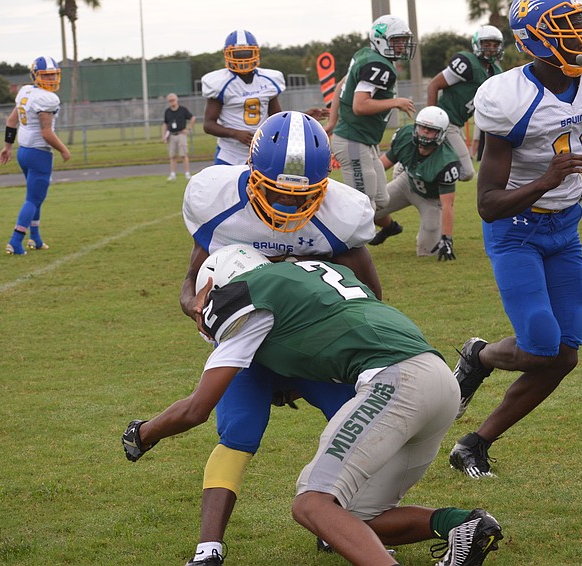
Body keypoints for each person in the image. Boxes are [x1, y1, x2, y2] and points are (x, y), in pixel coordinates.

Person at [123, 244, 504, 566]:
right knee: (349, 517)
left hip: (395, 382)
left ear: (219, 283)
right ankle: (463, 524)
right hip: (436, 377)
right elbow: (322, 337)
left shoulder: (245, 294)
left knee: (311, 505)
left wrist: (144, 433)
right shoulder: (311, 273)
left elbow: (197, 408)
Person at [447, 0, 582, 478]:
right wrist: (543, 180)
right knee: (541, 345)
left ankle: (474, 443)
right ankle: (479, 356)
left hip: (565, 229)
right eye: (568, 28)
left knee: (564, 353)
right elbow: (488, 203)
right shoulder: (508, 97)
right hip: (515, 232)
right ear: (534, 40)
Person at [178, 112, 381, 565]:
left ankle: (340, 519)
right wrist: (194, 306)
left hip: (310, 345)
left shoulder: (340, 215)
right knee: (239, 433)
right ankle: (208, 548)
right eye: (275, 191)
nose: (288, 207)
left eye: (303, 195)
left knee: (355, 421)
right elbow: (190, 282)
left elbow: (368, 293)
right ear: (252, 175)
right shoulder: (219, 201)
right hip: (244, 346)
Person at [332, 15, 416, 210]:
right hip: (353, 139)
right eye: (397, 41)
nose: (402, 46)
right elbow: (359, 106)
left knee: (381, 200)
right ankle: (353, 240)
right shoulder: (377, 65)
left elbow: (339, 85)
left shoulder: (365, 56)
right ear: (380, 39)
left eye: (404, 41)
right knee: (363, 203)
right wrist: (396, 102)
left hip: (365, 141)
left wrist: (331, 121)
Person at [0, 55, 70, 255]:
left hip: (24, 152)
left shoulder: (26, 92)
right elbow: (47, 133)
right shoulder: (47, 98)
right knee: (32, 198)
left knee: (36, 197)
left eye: (54, 75)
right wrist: (64, 149)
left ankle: (35, 238)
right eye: (46, 76)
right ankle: (15, 240)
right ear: (35, 75)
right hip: (39, 153)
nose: (51, 80)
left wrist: (7, 146)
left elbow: (11, 121)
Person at [370, 106, 461, 260]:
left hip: (431, 200)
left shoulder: (446, 161)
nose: (425, 132)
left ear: (441, 134)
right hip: (406, 183)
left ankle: (438, 236)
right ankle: (390, 227)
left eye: (430, 130)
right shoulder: (405, 138)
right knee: (367, 211)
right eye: (422, 127)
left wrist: (447, 238)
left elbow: (448, 205)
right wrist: (364, 190)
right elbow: (381, 166)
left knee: (427, 252)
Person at [426, 25, 504, 182]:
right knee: (467, 172)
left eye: (495, 45)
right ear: (477, 45)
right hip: (446, 122)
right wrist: (431, 122)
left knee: (452, 165)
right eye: (486, 44)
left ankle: (421, 173)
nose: (491, 49)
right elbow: (433, 85)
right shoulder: (467, 63)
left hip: (457, 125)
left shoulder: (496, 71)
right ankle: (423, 177)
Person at [201, 30, 286, 166]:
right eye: (237, 54)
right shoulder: (220, 83)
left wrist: (303, 116)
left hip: (262, 151)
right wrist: (235, 133)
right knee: (223, 187)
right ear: (227, 54)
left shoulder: (269, 80)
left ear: (256, 53)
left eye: (247, 53)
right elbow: (208, 125)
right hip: (230, 154)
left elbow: (277, 118)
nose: (243, 59)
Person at [162, 93, 196, 181]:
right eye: (170, 101)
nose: (172, 102)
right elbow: (165, 124)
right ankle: (172, 174)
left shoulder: (183, 110)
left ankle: (187, 173)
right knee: (172, 155)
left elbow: (192, 118)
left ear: (176, 100)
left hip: (181, 134)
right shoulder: (167, 112)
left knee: (183, 154)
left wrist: (188, 128)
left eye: (173, 100)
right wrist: (164, 136)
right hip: (172, 135)